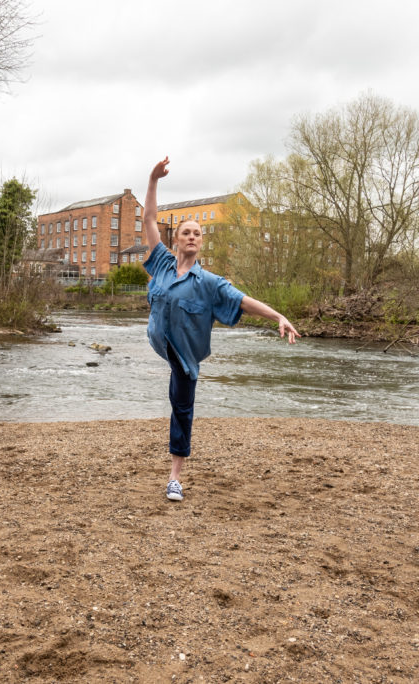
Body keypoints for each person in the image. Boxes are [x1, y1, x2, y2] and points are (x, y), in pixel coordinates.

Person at [142, 157, 300, 502]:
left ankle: (175, 478)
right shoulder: (163, 264)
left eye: (198, 233)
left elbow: (244, 300)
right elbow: (150, 219)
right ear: (177, 240)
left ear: (201, 242)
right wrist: (154, 179)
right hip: (159, 340)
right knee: (176, 395)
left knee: (181, 408)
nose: (192, 236)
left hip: (184, 356)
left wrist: (278, 317)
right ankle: (174, 473)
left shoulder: (210, 283)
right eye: (186, 232)